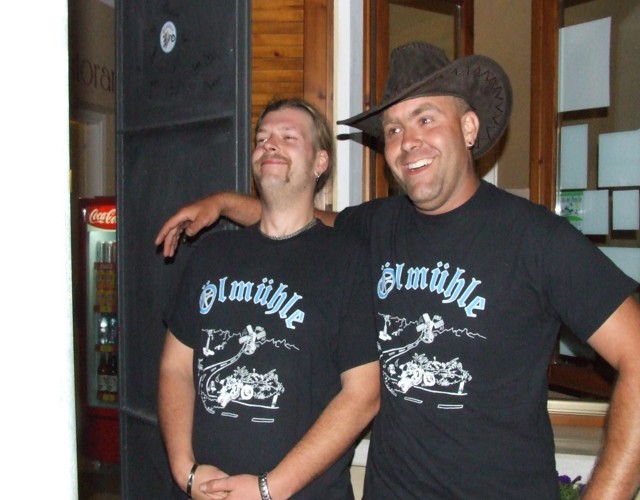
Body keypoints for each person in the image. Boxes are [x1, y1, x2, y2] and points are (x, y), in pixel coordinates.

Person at [155, 42, 640, 499]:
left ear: (469, 128)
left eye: (425, 119)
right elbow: (300, 220)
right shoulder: (378, 226)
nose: (408, 142)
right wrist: (223, 204)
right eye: (392, 130)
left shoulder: (535, 238)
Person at [158, 98, 380, 500]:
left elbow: (363, 395)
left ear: (320, 162)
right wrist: (184, 471)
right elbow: (175, 368)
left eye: (288, 137)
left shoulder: (350, 261)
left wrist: (268, 489)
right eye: (262, 139)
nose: (270, 144)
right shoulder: (211, 254)